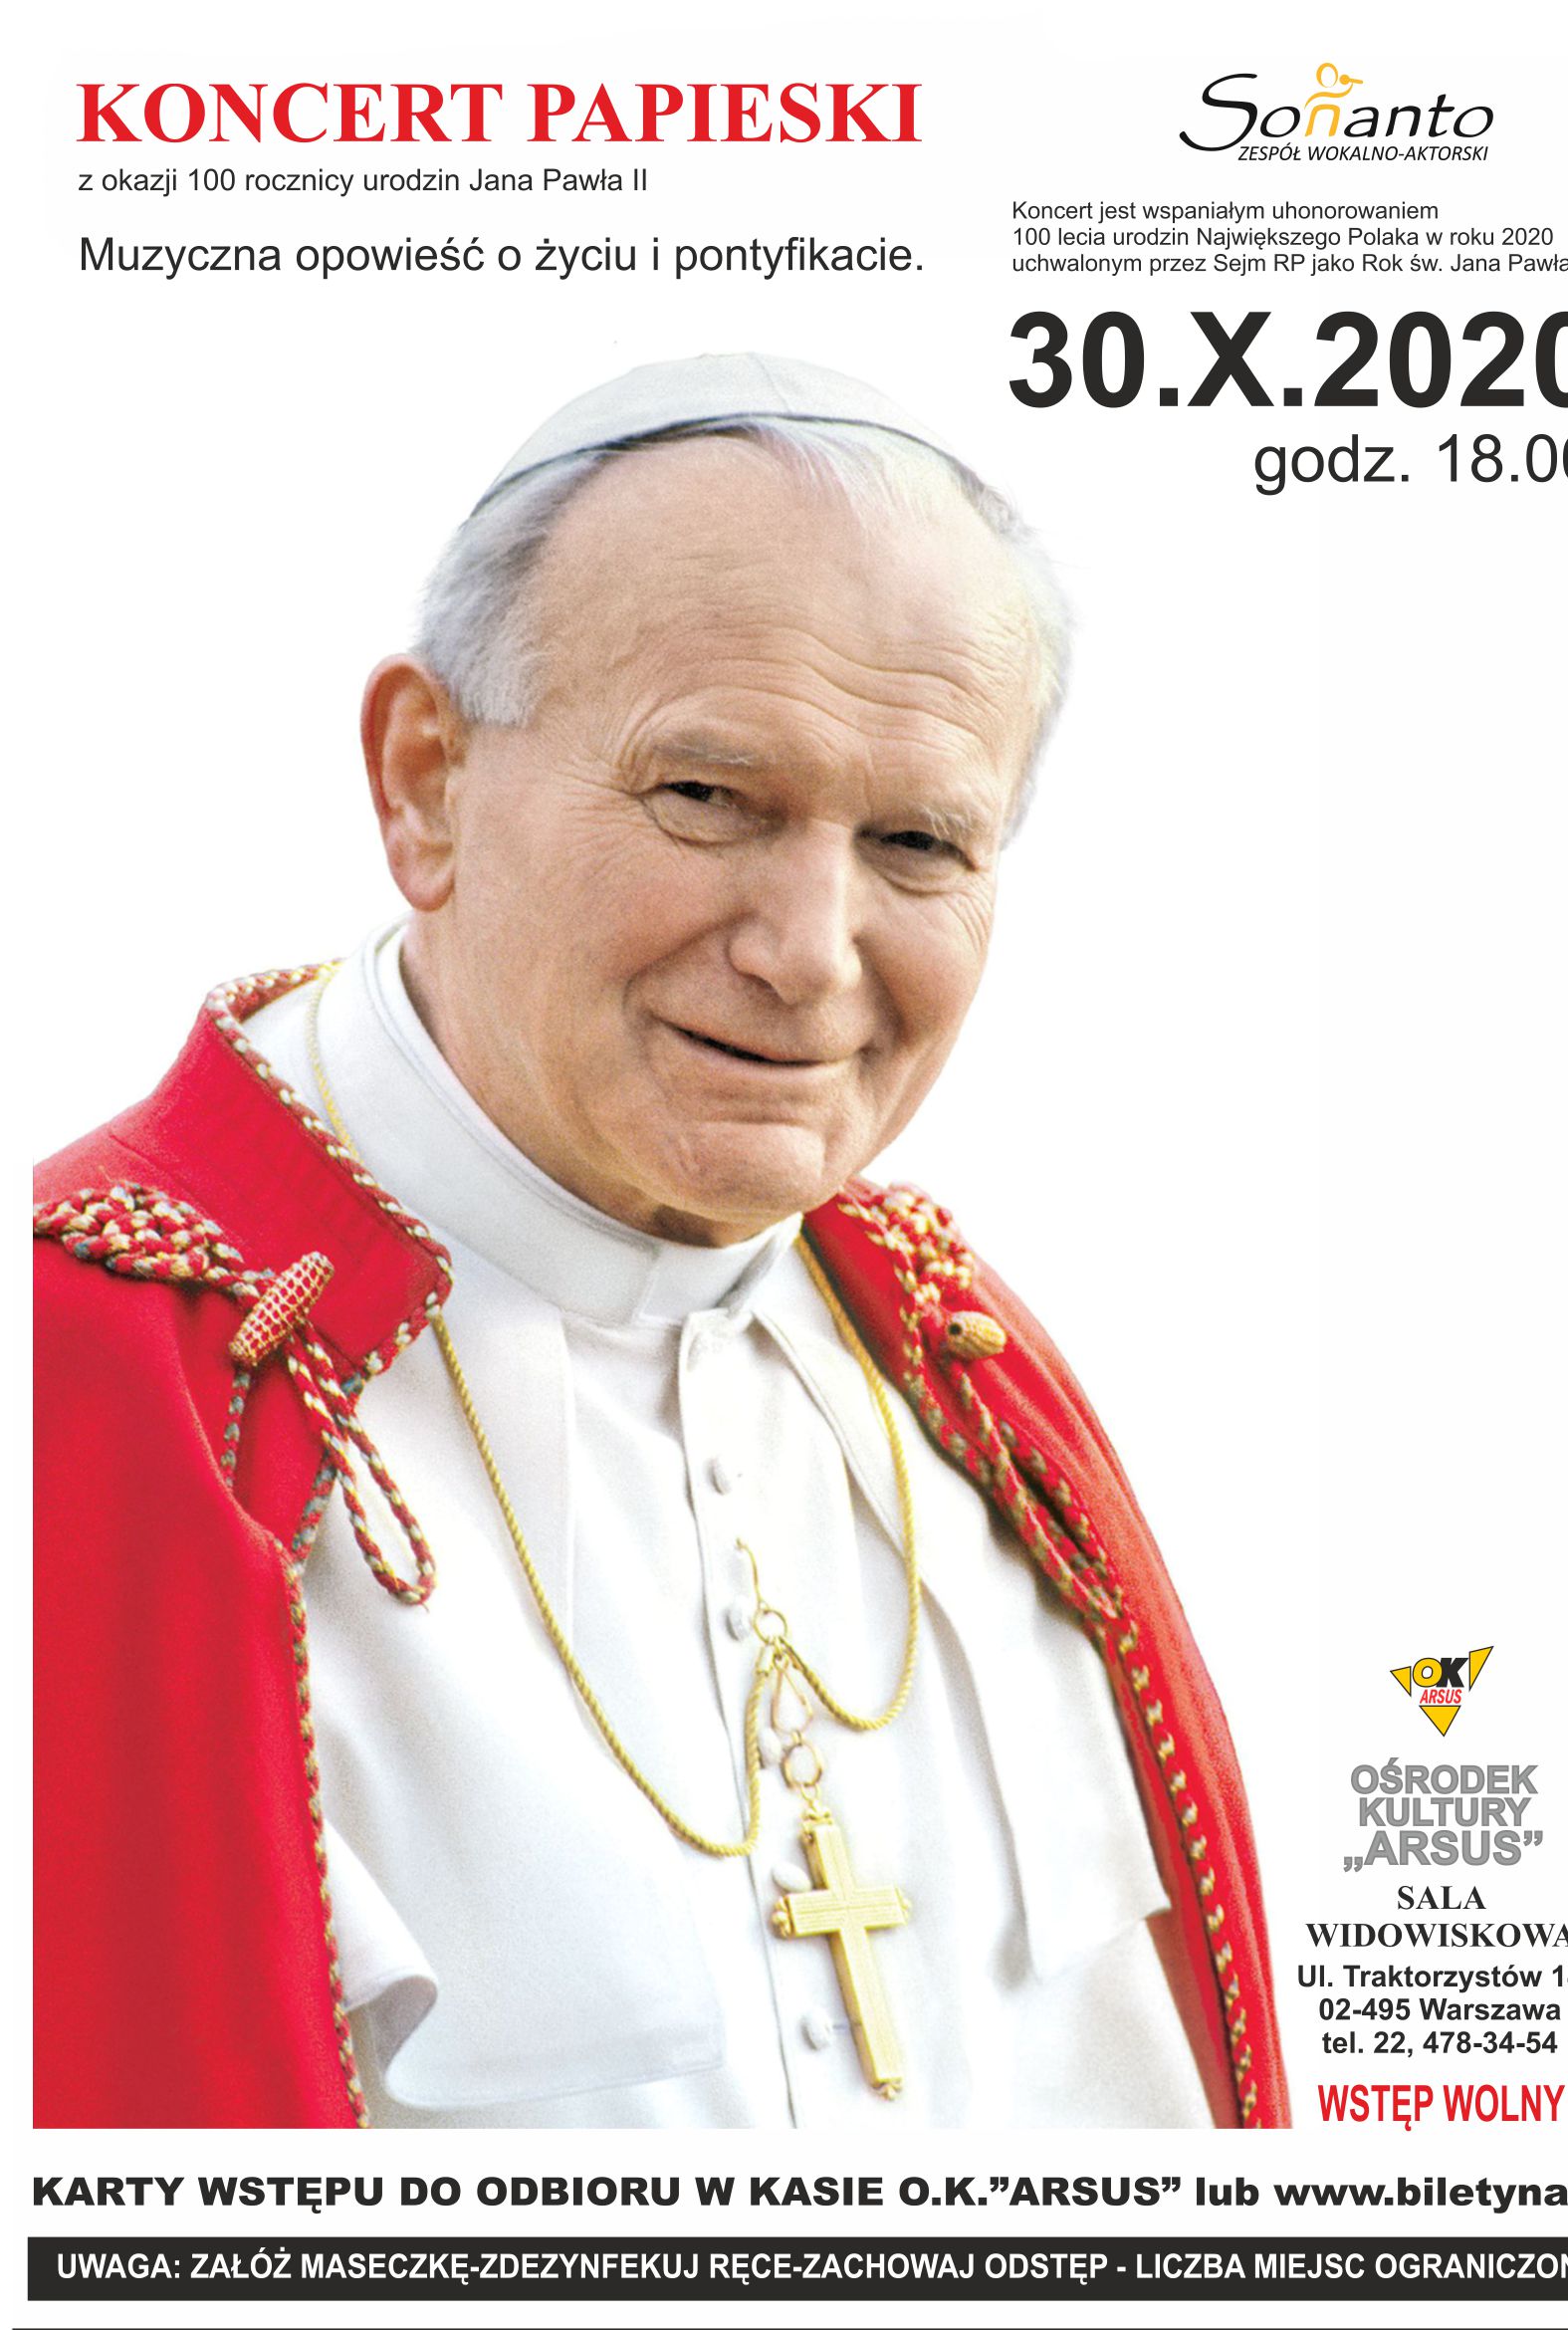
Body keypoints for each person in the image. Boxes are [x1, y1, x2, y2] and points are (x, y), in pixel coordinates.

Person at [33, 352, 1286, 2130]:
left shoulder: (971, 1376)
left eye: (919, 841)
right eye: (707, 797)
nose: (810, 951)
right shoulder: (82, 1383)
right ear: (426, 784)